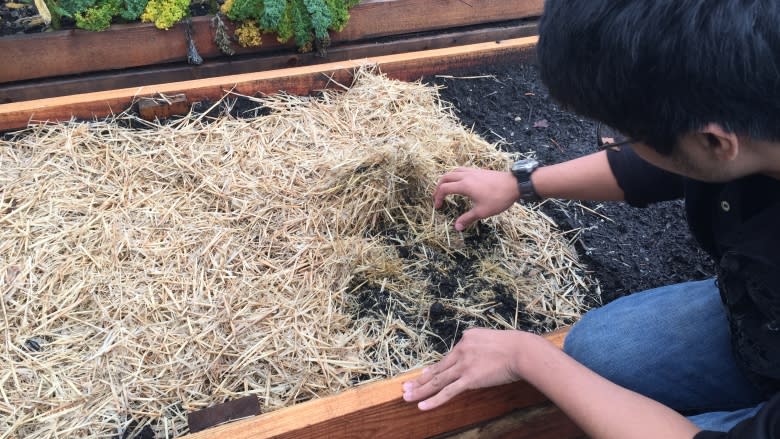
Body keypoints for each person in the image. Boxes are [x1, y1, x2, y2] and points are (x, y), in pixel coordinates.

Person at [401, 1, 780, 438]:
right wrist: (522, 183)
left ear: (715, 140)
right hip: (760, 315)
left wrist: (527, 356)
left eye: (628, 135)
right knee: (597, 350)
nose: (620, 143)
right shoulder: (751, 119)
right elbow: (667, 163)